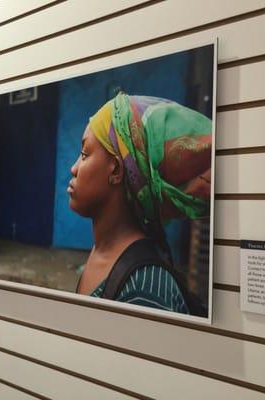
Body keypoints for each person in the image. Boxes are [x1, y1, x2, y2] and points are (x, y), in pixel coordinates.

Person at [68, 93, 212, 314]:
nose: (74, 169)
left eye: (85, 154)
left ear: (115, 170)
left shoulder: (144, 289)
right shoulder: (102, 252)